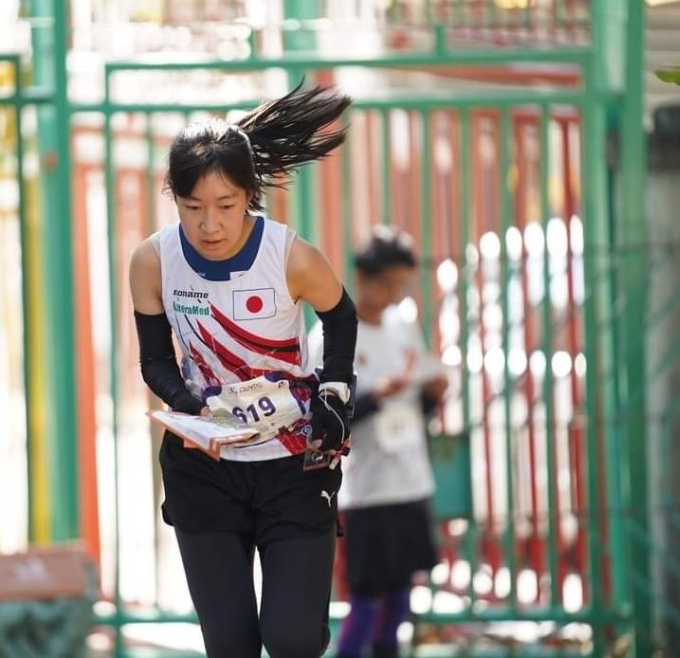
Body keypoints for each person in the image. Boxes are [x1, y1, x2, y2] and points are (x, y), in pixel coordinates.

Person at [128, 83, 358, 658]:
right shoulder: (154, 261)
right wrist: (190, 407)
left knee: (293, 637)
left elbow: (341, 315)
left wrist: (334, 389)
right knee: (229, 646)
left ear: (250, 195)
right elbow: (155, 360)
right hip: (204, 469)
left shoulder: (290, 255)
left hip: (291, 466)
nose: (210, 225)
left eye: (226, 206)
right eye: (193, 208)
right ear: (173, 198)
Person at [308, 226, 448, 658]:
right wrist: (373, 395)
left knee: (401, 593)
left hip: (409, 478)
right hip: (363, 488)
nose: (393, 293)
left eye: (400, 285)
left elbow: (417, 404)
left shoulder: (402, 324)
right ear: (363, 277)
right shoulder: (332, 339)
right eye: (387, 283)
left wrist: (432, 394)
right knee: (366, 598)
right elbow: (324, 419)